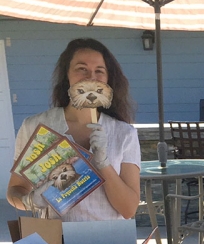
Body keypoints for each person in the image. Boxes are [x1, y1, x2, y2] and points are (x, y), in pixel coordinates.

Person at [6, 38, 140, 221]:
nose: (91, 77)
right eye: (81, 69)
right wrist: (29, 201)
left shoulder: (124, 134)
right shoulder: (35, 127)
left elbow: (128, 209)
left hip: (108, 242)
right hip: (53, 240)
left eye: (99, 71)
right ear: (66, 75)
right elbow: (15, 190)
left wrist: (104, 163)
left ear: (108, 81)